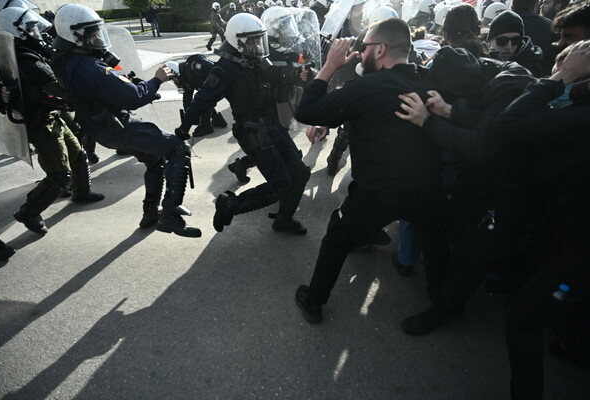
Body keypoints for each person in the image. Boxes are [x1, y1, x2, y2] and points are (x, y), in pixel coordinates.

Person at [293, 19, 449, 323]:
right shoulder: (430, 81)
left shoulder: (364, 87)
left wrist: (330, 67)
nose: (361, 55)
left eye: (364, 49)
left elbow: (307, 111)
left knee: (337, 238)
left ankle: (314, 301)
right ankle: (443, 305)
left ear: (379, 49)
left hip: (377, 193)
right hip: (426, 188)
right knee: (435, 242)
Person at [395, 46, 538, 335]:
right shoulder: (475, 72)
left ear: (467, 92)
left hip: (511, 184)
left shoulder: (510, 86)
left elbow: (483, 144)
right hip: (480, 176)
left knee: (475, 250)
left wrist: (431, 120)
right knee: (458, 227)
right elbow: (484, 121)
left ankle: (445, 309)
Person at [492, 39, 590, 400]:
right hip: (565, 231)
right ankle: (575, 346)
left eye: (562, 71)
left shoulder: (579, 117)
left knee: (523, 319)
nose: (553, 75)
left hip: (580, 248)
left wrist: (556, 80)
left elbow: (508, 122)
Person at [52, 4, 201, 238]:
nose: (97, 36)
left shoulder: (66, 60)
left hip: (103, 129)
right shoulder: (90, 66)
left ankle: (150, 212)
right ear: (75, 35)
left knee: (154, 160)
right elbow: (132, 97)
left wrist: (130, 84)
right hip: (118, 128)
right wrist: (156, 80)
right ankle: (170, 214)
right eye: (91, 32)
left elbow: (110, 88)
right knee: (177, 147)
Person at [176, 13, 311, 235]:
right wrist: (183, 129)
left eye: (260, 38)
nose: (258, 44)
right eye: (253, 40)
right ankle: (230, 205)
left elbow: (280, 75)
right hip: (252, 131)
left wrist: (299, 74)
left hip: (273, 124)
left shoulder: (257, 60)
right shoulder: (226, 68)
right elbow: (203, 99)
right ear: (238, 41)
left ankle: (283, 219)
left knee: (300, 174)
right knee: (280, 183)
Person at [0, 6, 104, 235]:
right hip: (40, 122)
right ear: (18, 31)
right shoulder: (25, 58)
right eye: (31, 28)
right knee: (59, 175)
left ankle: (81, 192)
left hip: (51, 115)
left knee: (78, 154)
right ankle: (29, 212)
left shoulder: (23, 52)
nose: (36, 32)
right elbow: (56, 87)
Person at [168, 54, 228, 137]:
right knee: (202, 96)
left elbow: (212, 68)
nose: (174, 83)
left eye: (172, 79)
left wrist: (211, 89)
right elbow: (187, 100)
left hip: (223, 81)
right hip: (216, 85)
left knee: (202, 97)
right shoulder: (185, 79)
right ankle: (217, 119)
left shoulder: (193, 64)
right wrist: (188, 117)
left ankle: (206, 126)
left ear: (175, 73)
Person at [487, 10, 545, 76]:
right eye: (502, 41)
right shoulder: (478, 63)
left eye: (515, 40)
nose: (509, 47)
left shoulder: (532, 66)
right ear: (489, 41)